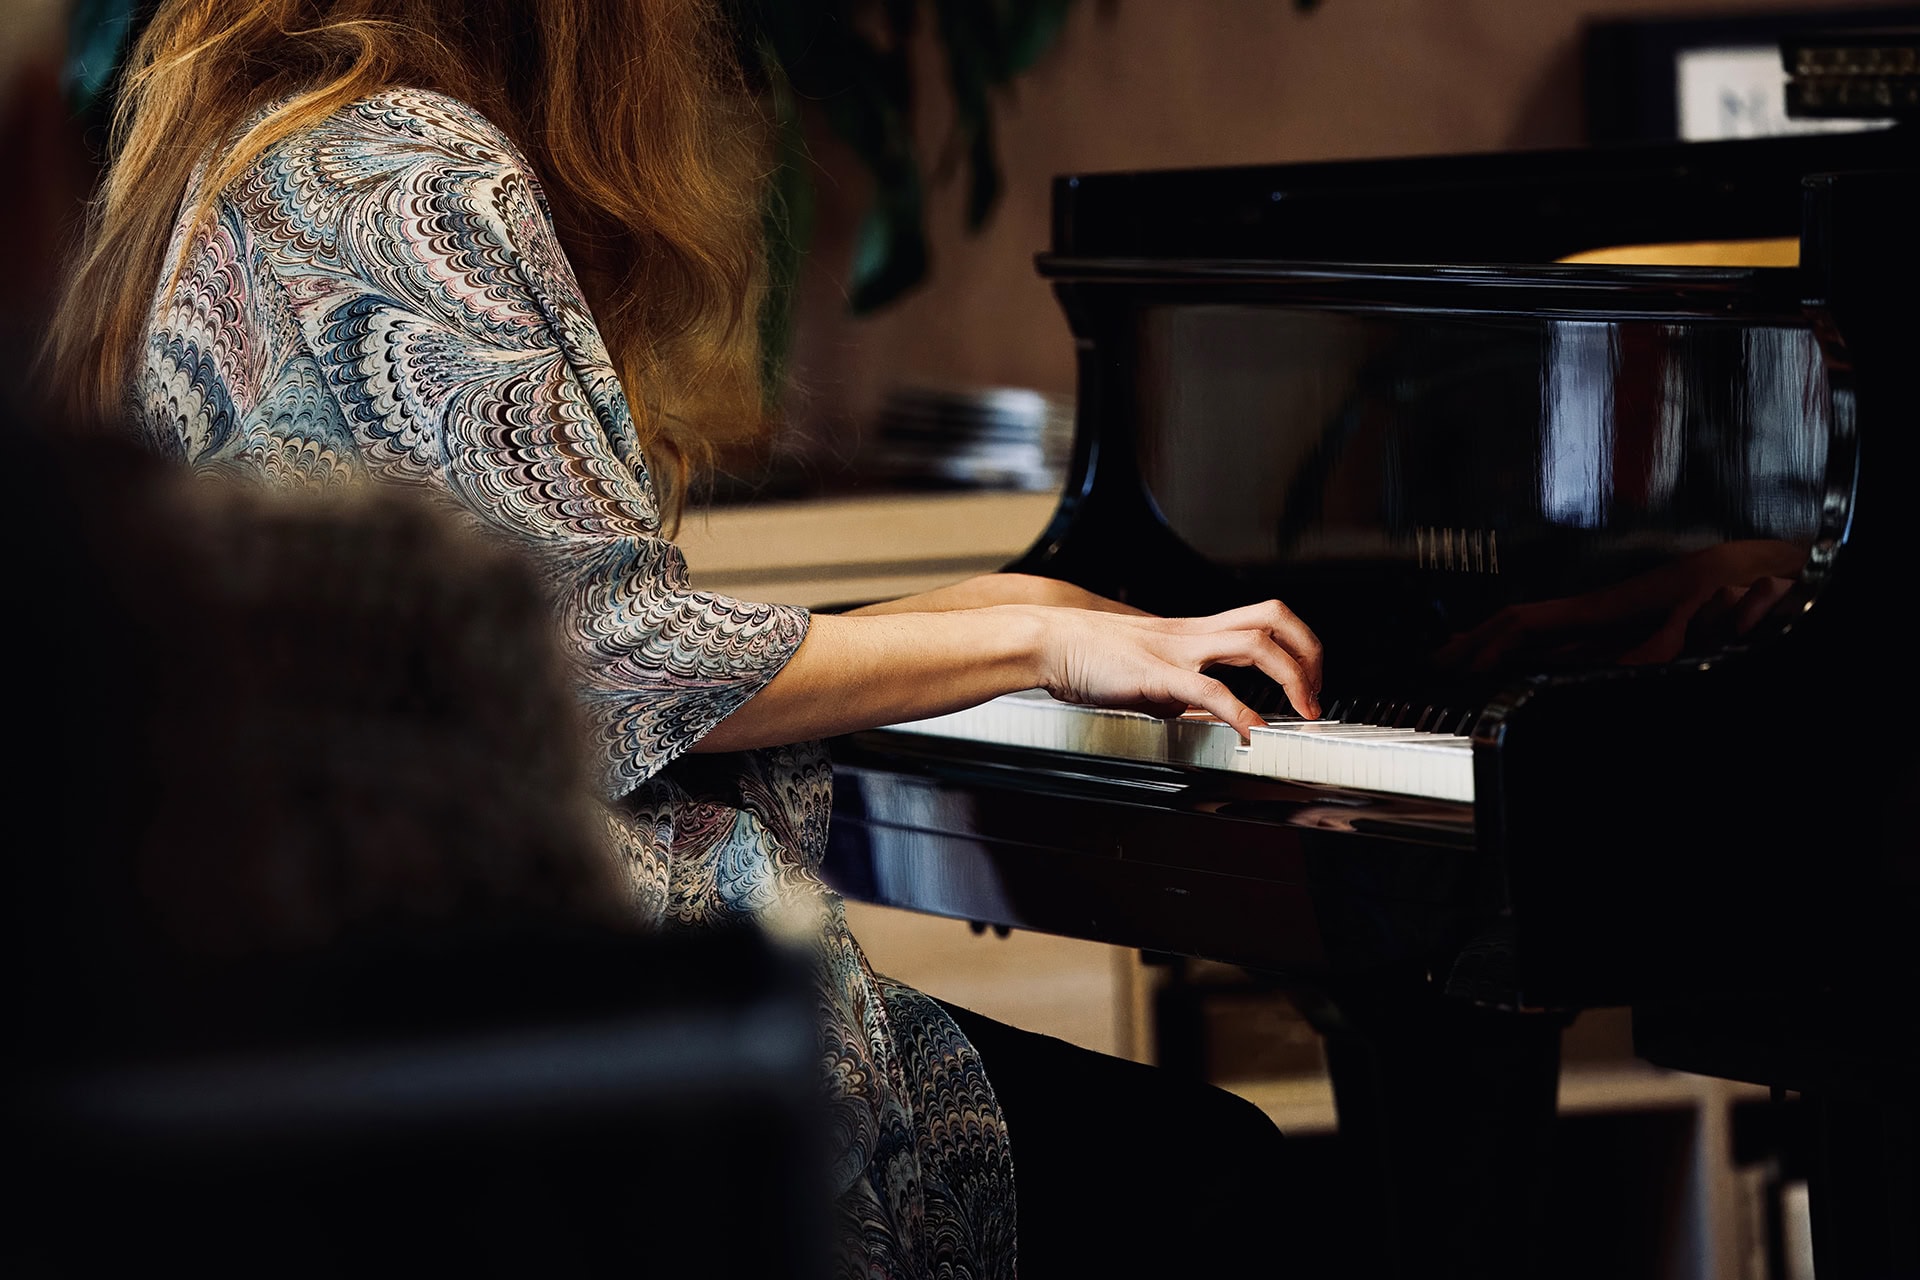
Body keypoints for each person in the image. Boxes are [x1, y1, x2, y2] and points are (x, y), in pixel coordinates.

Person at [44, 3, 1326, 1275]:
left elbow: (577, 627)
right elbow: (616, 660)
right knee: (1214, 1173)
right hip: (564, 1038)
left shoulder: (257, 155)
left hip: (387, 1000)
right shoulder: (405, 167)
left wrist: (1007, 604)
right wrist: (1027, 651)